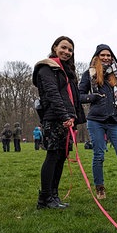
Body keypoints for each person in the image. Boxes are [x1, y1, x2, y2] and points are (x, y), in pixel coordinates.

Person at [32, 36, 86, 209]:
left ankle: (54, 196)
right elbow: (52, 94)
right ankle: (44, 198)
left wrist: (73, 118)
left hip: (67, 120)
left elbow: (72, 97)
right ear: (55, 47)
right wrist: (64, 116)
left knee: (62, 157)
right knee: (53, 155)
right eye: (63, 47)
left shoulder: (67, 71)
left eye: (70, 50)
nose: (67, 52)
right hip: (54, 118)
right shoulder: (47, 68)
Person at [79, 44, 117, 199]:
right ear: (97, 56)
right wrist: (92, 97)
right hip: (96, 120)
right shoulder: (89, 74)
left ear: (112, 57)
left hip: (115, 120)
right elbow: (80, 95)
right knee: (99, 155)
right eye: (102, 55)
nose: (106, 58)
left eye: (108, 55)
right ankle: (100, 188)